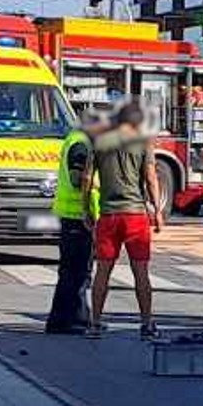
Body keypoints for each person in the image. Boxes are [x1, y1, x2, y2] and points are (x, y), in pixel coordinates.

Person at [85, 102, 164, 339]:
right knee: (141, 272)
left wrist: (85, 208)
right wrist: (157, 211)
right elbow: (150, 177)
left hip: (108, 215)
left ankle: (95, 322)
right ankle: (147, 323)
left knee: (103, 271)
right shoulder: (143, 143)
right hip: (135, 215)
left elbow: (87, 177)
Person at [45, 109, 109, 334]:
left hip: (73, 216)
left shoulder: (75, 140)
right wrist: (99, 184)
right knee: (77, 273)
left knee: (72, 272)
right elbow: (77, 179)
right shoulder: (81, 145)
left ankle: (66, 319)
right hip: (77, 217)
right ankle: (74, 321)